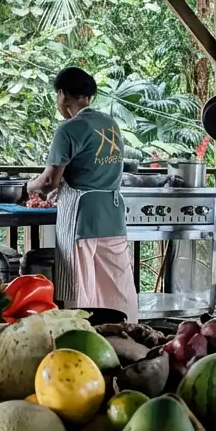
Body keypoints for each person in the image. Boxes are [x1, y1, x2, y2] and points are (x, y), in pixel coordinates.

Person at [26, 67, 137, 319]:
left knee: (77, 286)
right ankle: (127, 330)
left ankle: (79, 337)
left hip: (81, 216)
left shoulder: (68, 130)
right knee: (116, 285)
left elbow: (49, 182)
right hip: (112, 215)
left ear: (62, 94)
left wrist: (27, 187)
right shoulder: (111, 124)